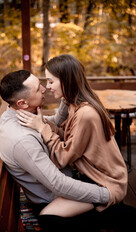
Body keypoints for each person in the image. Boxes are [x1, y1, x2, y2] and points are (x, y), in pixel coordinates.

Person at [17, 55, 136, 231]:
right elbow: (66, 136)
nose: (47, 87)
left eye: (50, 81)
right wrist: (42, 123)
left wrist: (42, 128)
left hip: (104, 183)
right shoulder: (73, 104)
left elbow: (64, 157)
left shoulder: (85, 114)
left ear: (66, 81)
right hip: (89, 177)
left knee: (48, 217)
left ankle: (118, 215)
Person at [0, 69, 111, 232]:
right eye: (38, 88)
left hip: (69, 183)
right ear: (22, 103)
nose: (44, 88)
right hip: (56, 201)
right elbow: (58, 184)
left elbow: (54, 124)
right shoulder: (22, 141)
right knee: (118, 210)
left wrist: (67, 94)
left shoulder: (19, 113)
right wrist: (107, 195)